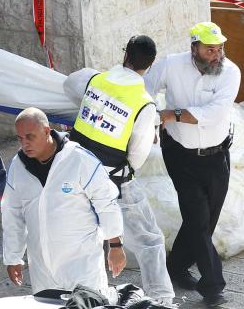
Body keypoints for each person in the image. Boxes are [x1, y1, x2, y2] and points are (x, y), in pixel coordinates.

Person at [65, 35, 175, 305]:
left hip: (75, 170)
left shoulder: (94, 79)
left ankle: (85, 293)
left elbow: (69, 84)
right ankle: (161, 298)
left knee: (83, 236)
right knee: (149, 239)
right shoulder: (143, 102)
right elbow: (138, 154)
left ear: (125, 54)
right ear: (149, 66)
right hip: (114, 179)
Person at [145, 22, 242, 306]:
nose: (216, 54)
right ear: (194, 48)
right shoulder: (172, 64)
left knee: (205, 220)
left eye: (220, 48)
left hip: (216, 156)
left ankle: (174, 267)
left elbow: (213, 114)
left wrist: (171, 113)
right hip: (180, 154)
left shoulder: (230, 72)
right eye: (210, 49)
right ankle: (213, 287)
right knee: (198, 219)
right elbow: (144, 88)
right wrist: (150, 119)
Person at [2, 107, 125, 296]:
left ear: (46, 131)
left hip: (82, 264)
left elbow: (105, 202)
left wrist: (115, 246)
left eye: (29, 137)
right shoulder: (18, 166)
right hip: (42, 268)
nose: (24, 144)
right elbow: (12, 213)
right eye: (20, 138)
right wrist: (13, 256)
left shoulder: (79, 159)